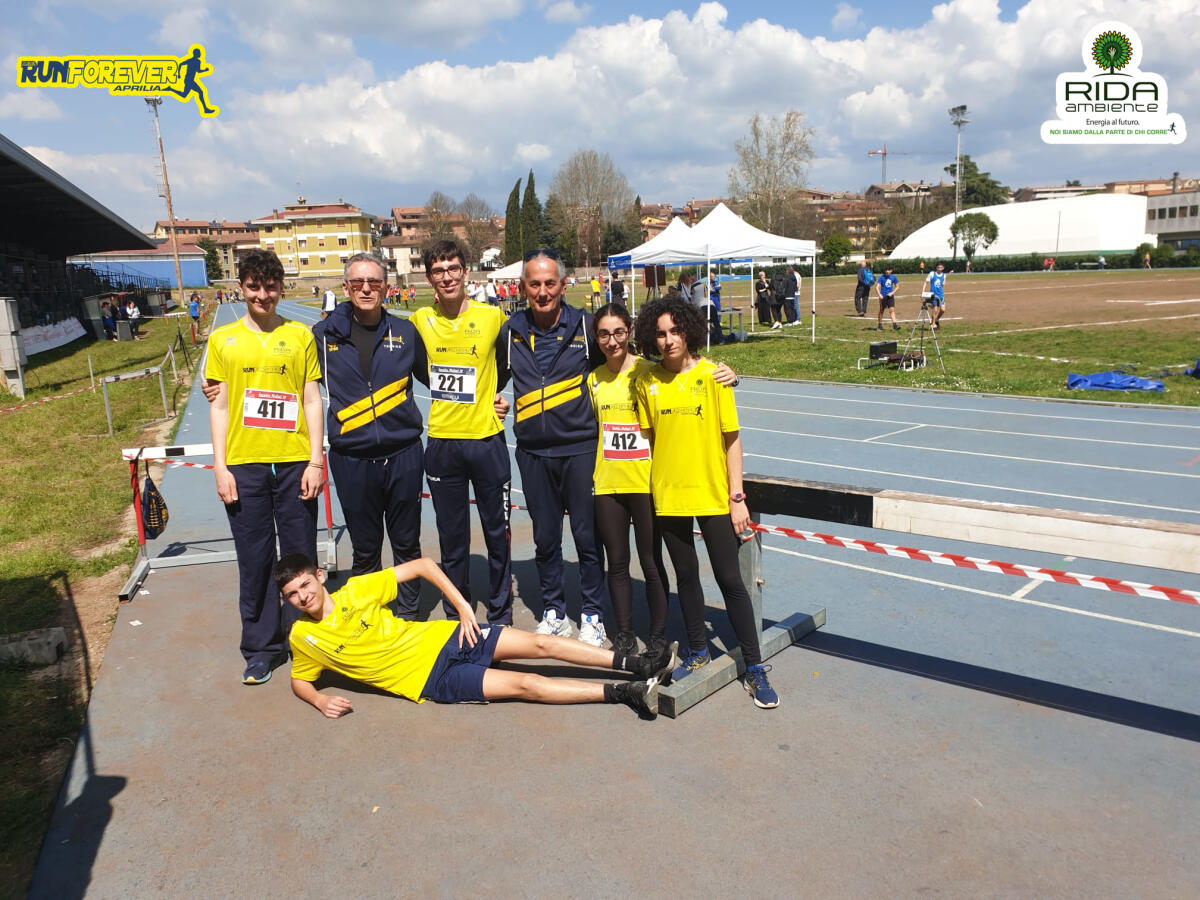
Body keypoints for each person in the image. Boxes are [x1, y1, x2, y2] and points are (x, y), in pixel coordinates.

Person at [275, 554, 678, 719]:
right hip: (433, 679)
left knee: (541, 643)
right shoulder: (303, 638)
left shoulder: (357, 590)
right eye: (292, 594)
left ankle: (639, 665)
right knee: (527, 683)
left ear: (320, 576)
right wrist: (319, 699)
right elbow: (300, 679)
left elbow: (424, 565)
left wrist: (463, 607)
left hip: (450, 636)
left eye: (305, 584)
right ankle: (626, 693)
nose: (303, 596)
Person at [632, 294, 779, 709]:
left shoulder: (715, 376)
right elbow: (653, 441)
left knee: (730, 580)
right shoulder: (646, 382)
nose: (668, 340)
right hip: (669, 497)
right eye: (660, 334)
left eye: (675, 331)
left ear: (689, 331)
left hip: (713, 496)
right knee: (686, 577)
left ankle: (754, 666)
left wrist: (737, 497)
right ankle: (698, 651)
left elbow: (732, 441)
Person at [205, 249, 324, 685]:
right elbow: (219, 407)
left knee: (300, 558)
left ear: (281, 288)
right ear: (241, 288)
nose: (262, 295)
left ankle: (306, 639)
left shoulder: (300, 335)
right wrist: (221, 467)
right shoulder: (223, 340)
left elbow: (311, 399)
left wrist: (316, 460)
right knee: (254, 561)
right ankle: (261, 649)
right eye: (254, 287)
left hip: (294, 464)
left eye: (270, 287)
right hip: (244, 466)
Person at [504, 249, 608, 644]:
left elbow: (627, 361)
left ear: (563, 285)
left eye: (550, 283)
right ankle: (554, 611)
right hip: (533, 453)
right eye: (535, 284)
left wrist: (702, 366)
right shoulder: (510, 331)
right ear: (523, 287)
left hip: (580, 450)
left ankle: (593, 614)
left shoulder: (587, 326)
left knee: (587, 537)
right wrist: (494, 399)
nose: (543, 291)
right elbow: (485, 377)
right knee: (545, 539)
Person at [313, 253, 427, 612]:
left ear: (386, 287)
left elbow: (440, 379)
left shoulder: (406, 332)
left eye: (374, 282)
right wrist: (222, 389)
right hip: (352, 459)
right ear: (345, 287)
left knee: (407, 545)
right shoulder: (321, 336)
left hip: (403, 455)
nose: (366, 289)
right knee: (365, 548)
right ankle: (370, 618)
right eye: (358, 282)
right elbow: (290, 382)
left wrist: (489, 397)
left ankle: (408, 617)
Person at [412, 240, 515, 626]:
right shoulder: (419, 320)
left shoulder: (493, 317)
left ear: (465, 272)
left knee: (497, 534)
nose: (447, 277)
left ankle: (501, 612)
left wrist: (495, 395)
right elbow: (420, 370)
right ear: (429, 279)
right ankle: (458, 611)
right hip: (443, 443)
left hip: (487, 440)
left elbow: (506, 364)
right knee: (452, 538)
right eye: (438, 271)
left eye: (453, 268)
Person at [587, 303, 670, 657]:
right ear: (596, 338)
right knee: (617, 562)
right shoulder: (593, 379)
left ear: (630, 332)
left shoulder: (651, 372)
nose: (612, 341)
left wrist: (725, 371)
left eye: (619, 332)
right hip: (608, 484)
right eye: (604, 334)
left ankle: (658, 636)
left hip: (645, 483)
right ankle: (624, 634)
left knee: (650, 562)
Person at [680, 271, 724, 345]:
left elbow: (690, 296)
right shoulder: (702, 285)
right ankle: (720, 339)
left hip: (701, 306)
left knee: (701, 324)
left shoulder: (691, 287)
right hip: (711, 304)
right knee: (716, 323)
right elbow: (704, 294)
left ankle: (703, 340)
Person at [923, 262, 953, 331]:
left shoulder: (944, 275)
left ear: (943, 268)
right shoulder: (932, 274)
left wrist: (940, 292)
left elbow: (942, 285)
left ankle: (936, 319)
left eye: (941, 267)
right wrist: (923, 292)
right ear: (936, 268)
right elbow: (926, 282)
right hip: (933, 295)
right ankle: (933, 324)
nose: (939, 269)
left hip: (941, 295)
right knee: (935, 309)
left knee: (943, 309)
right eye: (938, 267)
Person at [875, 264, 900, 331]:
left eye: (888, 270)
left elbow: (897, 287)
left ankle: (895, 325)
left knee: (892, 310)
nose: (887, 271)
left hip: (890, 296)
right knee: (881, 311)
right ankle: (879, 325)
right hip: (883, 297)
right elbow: (877, 287)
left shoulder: (893, 277)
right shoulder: (881, 277)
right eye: (886, 270)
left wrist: (892, 293)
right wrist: (879, 294)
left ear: (891, 270)